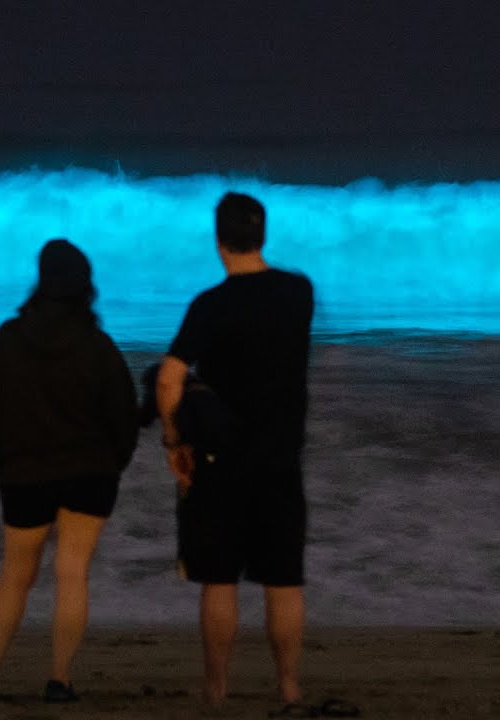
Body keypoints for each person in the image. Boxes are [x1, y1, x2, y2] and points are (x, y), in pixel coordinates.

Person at [0, 238, 139, 703]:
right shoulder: (98, 346)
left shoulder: (8, 338)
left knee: (15, 573)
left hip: (24, 474)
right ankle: (59, 680)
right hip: (90, 472)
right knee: (72, 572)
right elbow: (123, 417)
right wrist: (114, 463)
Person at [156, 192, 315, 714]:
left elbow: (170, 376)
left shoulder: (210, 305)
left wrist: (174, 441)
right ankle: (289, 688)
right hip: (280, 459)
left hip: (220, 460)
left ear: (217, 239)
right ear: (262, 235)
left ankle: (217, 691)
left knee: (219, 579)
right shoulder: (299, 293)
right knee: (283, 580)